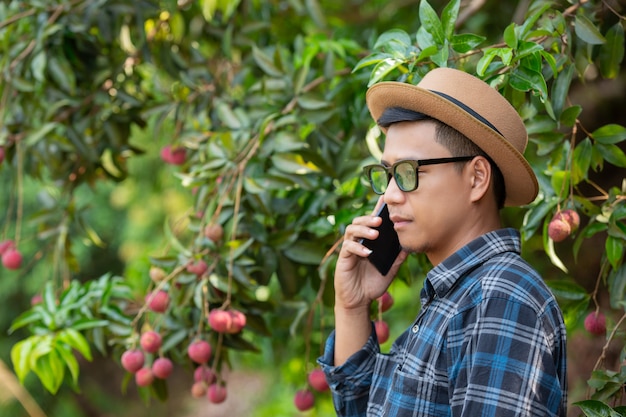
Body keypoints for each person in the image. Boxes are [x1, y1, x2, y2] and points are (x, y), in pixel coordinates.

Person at [318, 68, 567, 417]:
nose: (389, 195)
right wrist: (351, 307)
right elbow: (362, 408)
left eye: (407, 173)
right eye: (387, 175)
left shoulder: (500, 296)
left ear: (477, 178)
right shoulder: (453, 299)